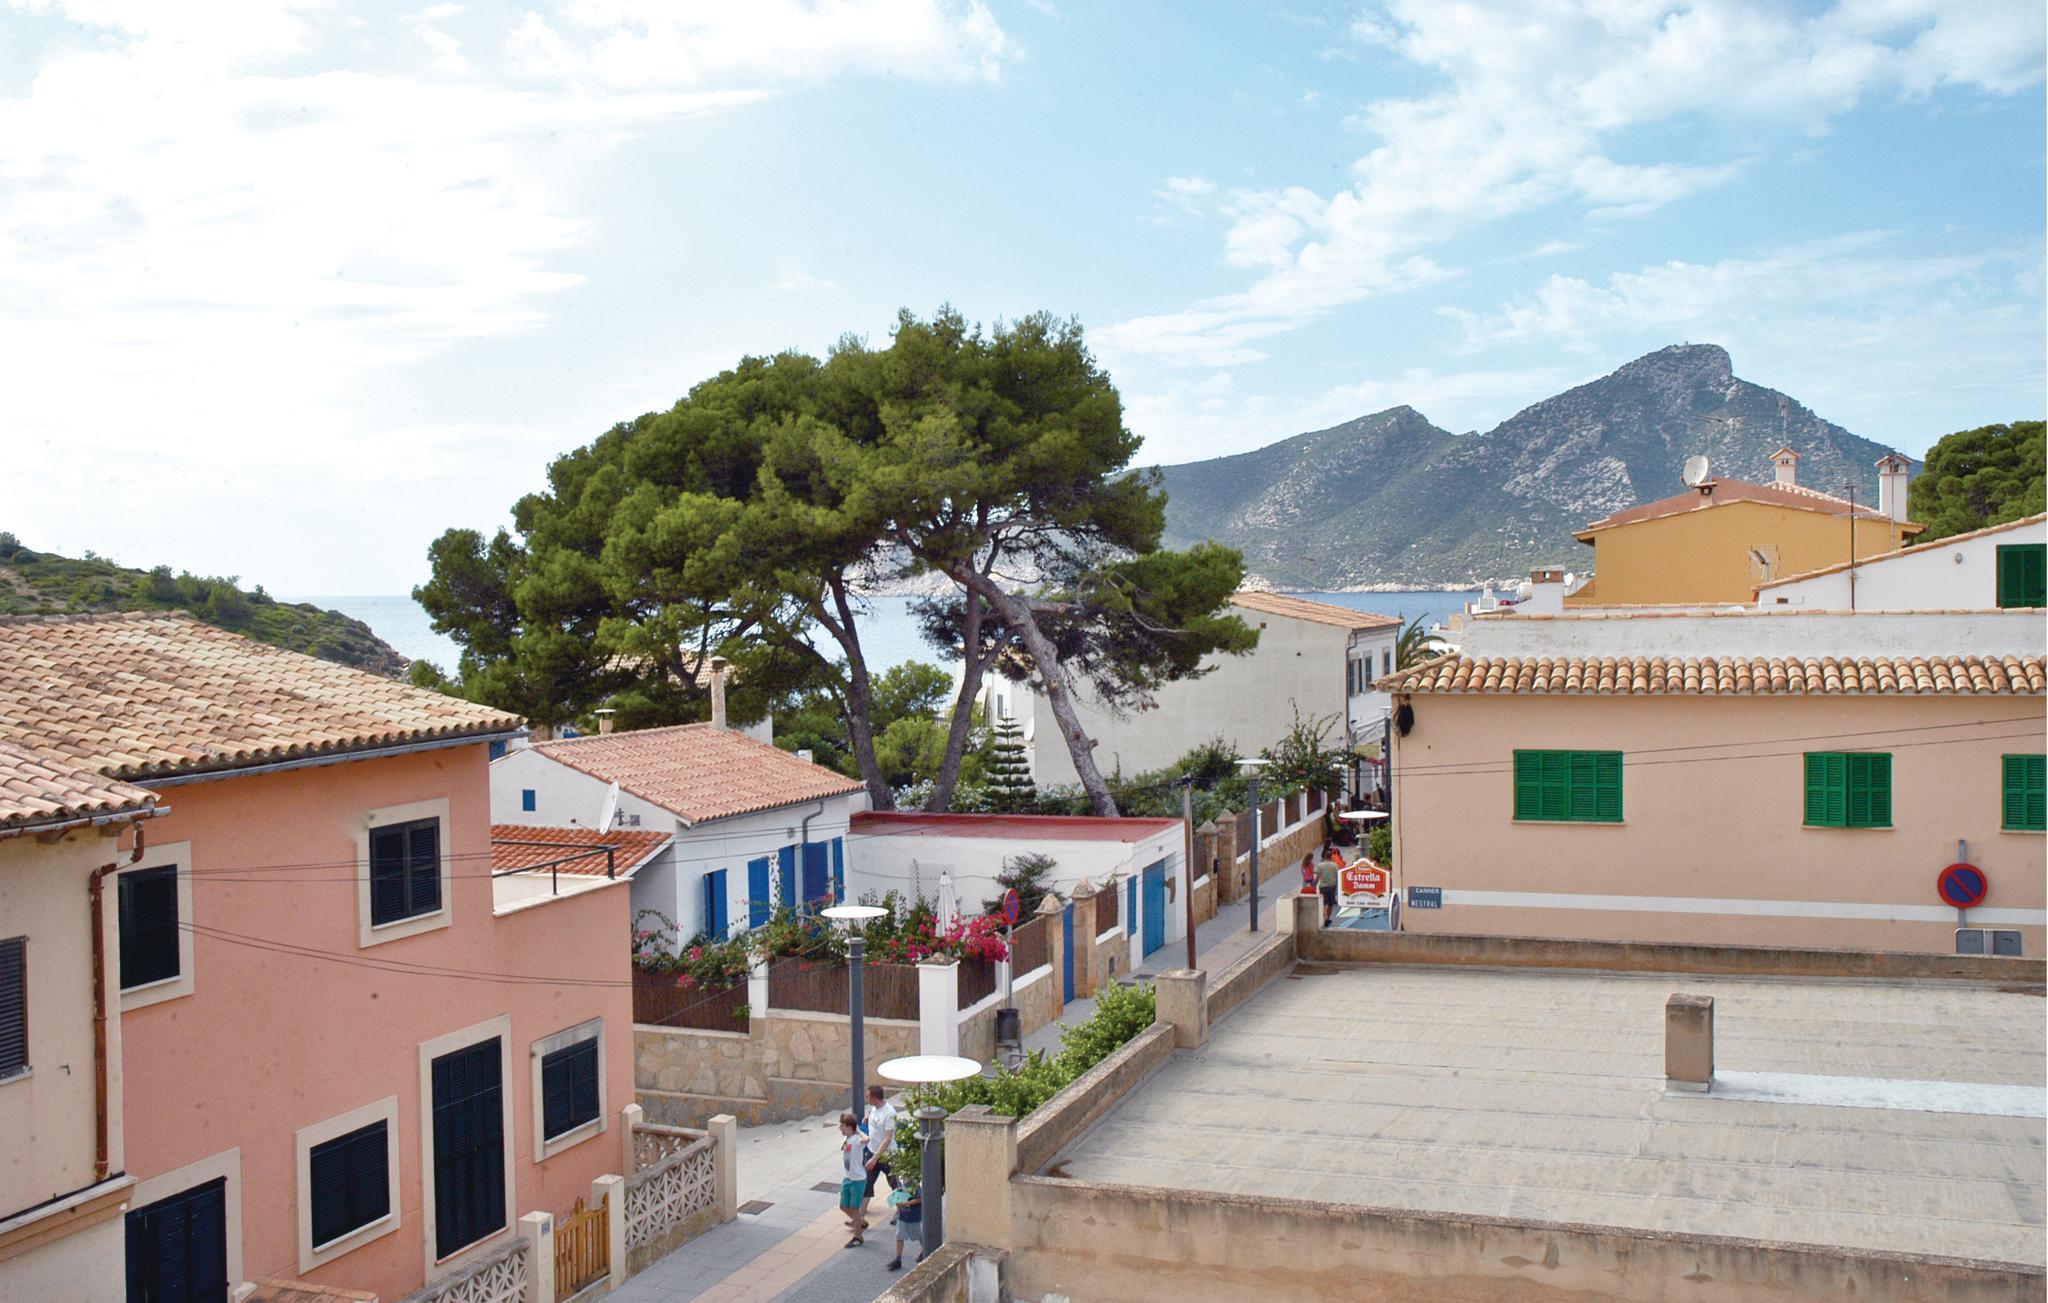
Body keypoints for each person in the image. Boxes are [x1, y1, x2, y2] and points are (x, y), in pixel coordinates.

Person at [862, 1084, 899, 1208]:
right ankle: (861, 1213)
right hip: (872, 1150)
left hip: (888, 1155)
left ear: (874, 1098)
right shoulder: (873, 1108)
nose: (866, 1098)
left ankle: (901, 1210)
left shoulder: (889, 1113)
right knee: (866, 1183)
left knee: (895, 1184)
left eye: (867, 1096)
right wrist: (866, 1120)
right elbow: (874, 1120)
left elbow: (888, 1138)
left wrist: (875, 1158)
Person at [837, 1112, 868, 1246]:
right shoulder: (848, 1139)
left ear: (849, 1127)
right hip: (848, 1178)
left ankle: (858, 1236)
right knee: (843, 1206)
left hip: (858, 1180)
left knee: (854, 1208)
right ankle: (860, 1222)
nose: (840, 1128)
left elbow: (867, 1139)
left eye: (842, 1126)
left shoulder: (857, 1140)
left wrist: (858, 1130)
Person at [887, 1180, 924, 1271]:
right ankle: (898, 1259)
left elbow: (920, 1198)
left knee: (917, 1234)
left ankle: (925, 1249)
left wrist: (905, 1203)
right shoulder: (900, 1183)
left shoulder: (914, 1184)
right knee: (899, 1236)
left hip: (913, 1216)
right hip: (902, 1215)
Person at [1315, 851, 1339, 925]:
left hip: (1323, 886)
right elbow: (1337, 876)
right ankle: (1327, 918)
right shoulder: (1334, 865)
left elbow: (1318, 876)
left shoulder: (1320, 865)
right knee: (1330, 904)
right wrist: (1337, 887)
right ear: (1331, 856)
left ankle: (1325, 917)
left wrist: (1314, 885)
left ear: (1324, 857)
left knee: (1323, 903)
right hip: (1332, 886)